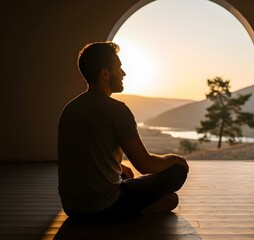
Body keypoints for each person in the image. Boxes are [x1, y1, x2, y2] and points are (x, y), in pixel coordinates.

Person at [57, 41, 189, 222]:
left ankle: (134, 202)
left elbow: (82, 156)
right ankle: (142, 209)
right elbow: (144, 165)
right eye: (119, 68)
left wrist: (118, 167)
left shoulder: (70, 109)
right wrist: (174, 159)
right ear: (105, 73)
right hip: (103, 208)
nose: (124, 73)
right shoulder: (116, 110)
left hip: (72, 208)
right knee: (177, 171)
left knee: (124, 173)